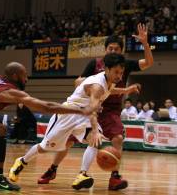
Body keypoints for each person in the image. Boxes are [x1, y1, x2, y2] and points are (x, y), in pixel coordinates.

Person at [37, 23, 154, 191]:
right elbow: (77, 81)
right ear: (105, 50)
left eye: (116, 49)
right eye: (110, 48)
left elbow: (149, 62)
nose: (113, 51)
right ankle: (52, 169)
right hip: (89, 108)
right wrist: (92, 84)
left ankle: (114, 177)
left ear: (121, 51)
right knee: (67, 142)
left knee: (117, 139)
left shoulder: (125, 65)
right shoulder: (96, 64)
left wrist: (144, 43)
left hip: (110, 111)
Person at [9, 53, 140, 186]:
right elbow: (93, 109)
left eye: (121, 73)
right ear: (106, 69)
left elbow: (111, 90)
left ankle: (82, 175)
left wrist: (126, 90)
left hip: (82, 116)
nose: (119, 76)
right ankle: (21, 161)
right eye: (116, 72)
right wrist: (95, 129)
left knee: (95, 141)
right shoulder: (97, 86)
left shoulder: (108, 81)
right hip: (67, 114)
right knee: (45, 147)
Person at [0, 62, 92, 191]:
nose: (27, 79)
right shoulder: (10, 91)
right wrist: (80, 111)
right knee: (0, 130)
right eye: (24, 76)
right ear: (15, 76)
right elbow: (47, 107)